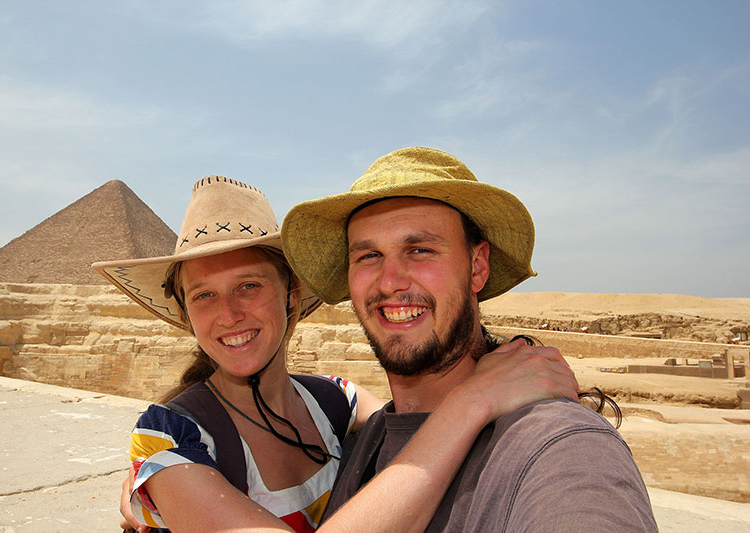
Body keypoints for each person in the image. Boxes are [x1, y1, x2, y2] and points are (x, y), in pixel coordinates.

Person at [95, 175, 579, 532]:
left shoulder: (336, 404)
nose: (228, 314)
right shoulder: (167, 438)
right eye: (203, 295)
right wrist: (475, 399)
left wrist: (502, 377)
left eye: (249, 285)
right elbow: (447, 416)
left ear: (289, 295)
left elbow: (419, 409)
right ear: (185, 313)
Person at [281, 146, 658, 531]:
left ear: (477, 267)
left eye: (420, 250)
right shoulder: (367, 440)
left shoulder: (559, 447)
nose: (390, 281)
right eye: (369, 256)